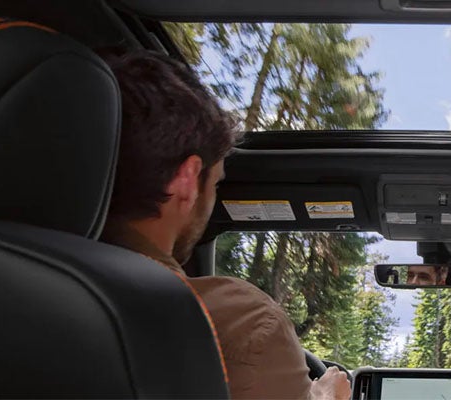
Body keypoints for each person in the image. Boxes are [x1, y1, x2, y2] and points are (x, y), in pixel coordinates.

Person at [98, 49, 350, 400]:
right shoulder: (243, 323)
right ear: (187, 181)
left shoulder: (5, 281)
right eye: (215, 184)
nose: (213, 196)